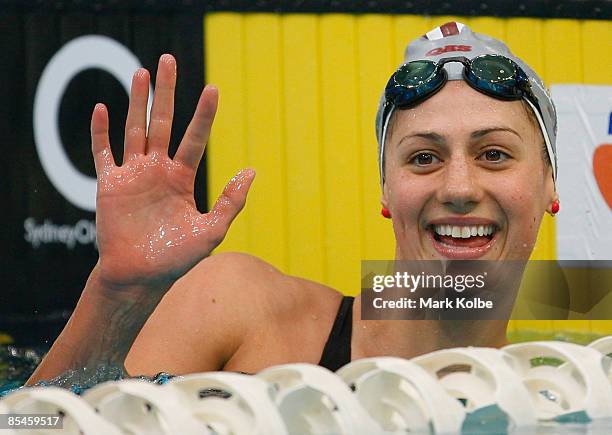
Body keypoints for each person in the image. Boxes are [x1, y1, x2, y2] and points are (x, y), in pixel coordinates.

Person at [28, 22, 559, 383]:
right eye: (423, 158)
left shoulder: (561, 401)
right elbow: (29, 425)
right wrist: (116, 294)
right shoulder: (239, 313)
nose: (460, 188)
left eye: (494, 154)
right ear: (386, 192)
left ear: (550, 185)